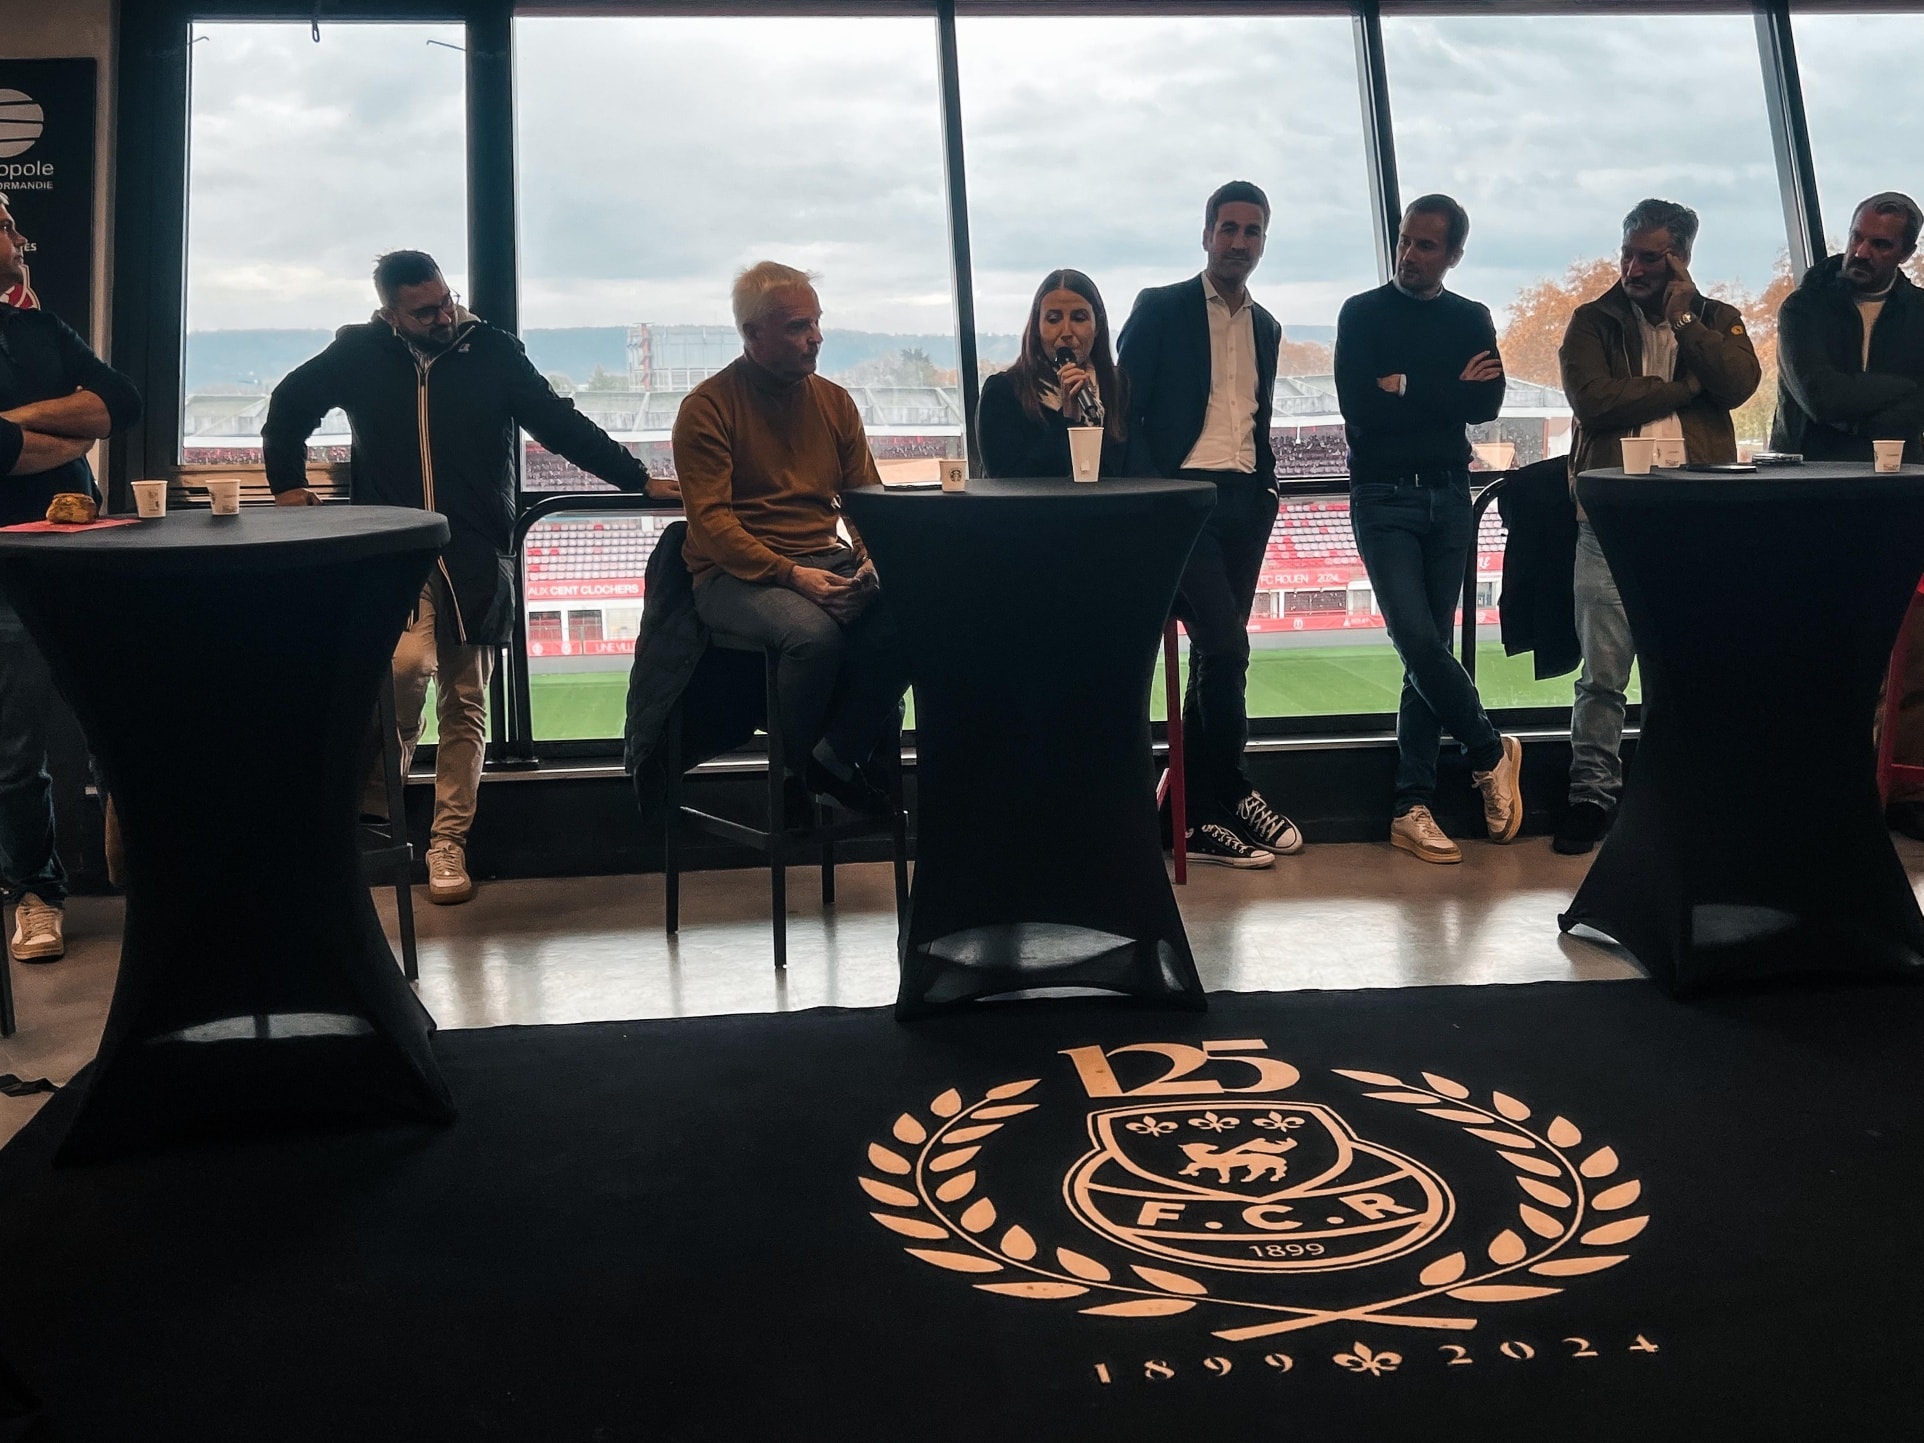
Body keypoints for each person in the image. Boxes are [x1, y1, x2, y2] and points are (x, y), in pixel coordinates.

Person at [264, 250, 676, 903]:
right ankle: (375, 820)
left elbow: (559, 424)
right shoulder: (358, 353)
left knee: (466, 698)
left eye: (445, 301)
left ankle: (448, 843)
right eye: (423, 311)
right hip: (397, 549)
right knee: (403, 673)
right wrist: (286, 485)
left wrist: (638, 479)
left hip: (479, 551)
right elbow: (289, 406)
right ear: (390, 313)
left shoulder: (494, 351)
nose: (443, 317)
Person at [1556, 198, 1759, 854]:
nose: (1634, 268)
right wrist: (1682, 388)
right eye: (1629, 254)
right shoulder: (1592, 321)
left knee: (1693, 665)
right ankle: (1591, 794)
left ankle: (1686, 792)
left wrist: (1686, 320)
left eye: (1651, 257)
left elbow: (1737, 384)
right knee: (1603, 673)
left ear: (1682, 259)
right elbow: (1594, 401)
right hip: (1610, 518)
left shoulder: (1715, 319)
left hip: (1695, 517)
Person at [672, 260, 911, 816]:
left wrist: (871, 561)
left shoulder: (835, 402)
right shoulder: (707, 408)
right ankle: (795, 778)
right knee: (812, 637)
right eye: (799, 326)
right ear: (753, 334)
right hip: (732, 576)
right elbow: (712, 527)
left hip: (825, 560)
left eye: (817, 322)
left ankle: (833, 759)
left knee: (922, 610)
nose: (816, 337)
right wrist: (794, 576)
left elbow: (864, 500)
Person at [1118, 180, 1303, 869]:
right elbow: (1125, 412)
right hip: (1185, 501)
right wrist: (1160, 495)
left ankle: (1189, 816)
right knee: (1227, 648)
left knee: (1214, 657)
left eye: (1252, 232)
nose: (1239, 242)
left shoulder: (1267, 327)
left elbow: (1256, 416)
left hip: (1246, 504)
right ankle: (1228, 787)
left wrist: (1267, 490)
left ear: (1263, 242)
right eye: (1228, 228)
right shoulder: (1161, 308)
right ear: (1206, 235)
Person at [1334, 194, 1520, 864]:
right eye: (1404, 240)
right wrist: (1446, 388)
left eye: (1426, 245)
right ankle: (1490, 751)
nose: (1409, 255)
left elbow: (1487, 402)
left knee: (1428, 649)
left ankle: (1410, 805)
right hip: (1382, 495)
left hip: (1449, 494)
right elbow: (1360, 407)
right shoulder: (1361, 313)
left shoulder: (1470, 316)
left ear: (1454, 255)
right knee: (1415, 637)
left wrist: (1407, 385)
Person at [0, 194, 143, 961]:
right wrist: (65, 428)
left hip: (82, 558)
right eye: (6, 226)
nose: (21, 239)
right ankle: (35, 892)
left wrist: (15, 423)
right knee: (14, 752)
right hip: (8, 569)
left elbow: (120, 403)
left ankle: (146, 877)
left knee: (115, 723)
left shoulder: (41, 328)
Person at [1769, 194, 1924, 839]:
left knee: (1901, 651)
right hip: (1810, 498)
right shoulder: (1804, 307)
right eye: (1858, 236)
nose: (1860, 252)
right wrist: (1906, 392)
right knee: (1812, 647)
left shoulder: (1920, 315)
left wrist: (1867, 408)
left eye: (1879, 244)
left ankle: (1898, 791)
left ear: (1906, 252)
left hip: (1896, 501)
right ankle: (1811, 787)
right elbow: (1822, 398)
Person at [977, 270, 1131, 479]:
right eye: (1053, 319)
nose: (1066, 331)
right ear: (1037, 328)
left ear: (1097, 326)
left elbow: (1133, 469)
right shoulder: (1003, 392)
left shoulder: (1116, 386)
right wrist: (1067, 419)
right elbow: (1006, 480)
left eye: (1079, 318)